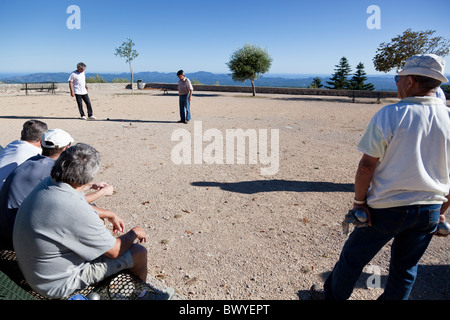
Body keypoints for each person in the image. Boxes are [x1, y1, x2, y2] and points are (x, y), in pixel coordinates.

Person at [311, 54, 450, 300]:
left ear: (409, 81)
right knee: (405, 270)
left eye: (398, 78)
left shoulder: (391, 114)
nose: (396, 83)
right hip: (429, 208)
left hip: (386, 208)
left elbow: (366, 165)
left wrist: (359, 203)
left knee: (353, 259)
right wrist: (441, 211)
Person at [13, 143, 173, 299]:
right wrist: (134, 232)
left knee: (98, 224)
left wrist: (107, 213)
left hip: (36, 269)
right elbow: (115, 251)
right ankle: (142, 296)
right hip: (56, 283)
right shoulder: (73, 207)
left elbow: (76, 201)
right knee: (138, 252)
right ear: (88, 177)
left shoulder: (50, 183)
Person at [0, 129, 73, 248]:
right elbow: (73, 202)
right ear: (66, 149)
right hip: (15, 235)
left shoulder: (33, 160)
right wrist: (102, 192)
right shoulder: (51, 169)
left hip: (6, 227)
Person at [0, 120, 48, 189]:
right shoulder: (37, 153)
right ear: (42, 139)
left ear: (22, 133)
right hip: (5, 192)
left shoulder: (13, 144)